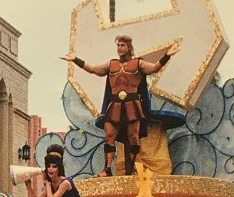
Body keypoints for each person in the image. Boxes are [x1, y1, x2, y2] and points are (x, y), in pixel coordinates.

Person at [61, 36, 179, 176]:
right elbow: (93, 69)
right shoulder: (111, 65)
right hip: (115, 105)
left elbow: (154, 68)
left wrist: (166, 56)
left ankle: (134, 166)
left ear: (129, 47)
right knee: (109, 135)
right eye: (118, 45)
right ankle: (107, 168)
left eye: (122, 45)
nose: (119, 48)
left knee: (133, 136)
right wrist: (76, 59)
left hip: (132, 105)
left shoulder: (138, 64)